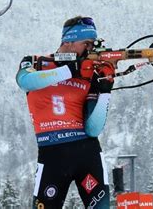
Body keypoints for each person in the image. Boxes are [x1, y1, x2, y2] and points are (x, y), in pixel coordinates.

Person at [16, 16, 114, 208]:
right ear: (68, 42)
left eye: (92, 45)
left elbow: (93, 129)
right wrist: (69, 70)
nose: (89, 49)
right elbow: (25, 81)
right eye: (85, 43)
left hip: (87, 153)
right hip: (52, 155)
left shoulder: (89, 73)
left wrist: (105, 91)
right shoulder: (36, 62)